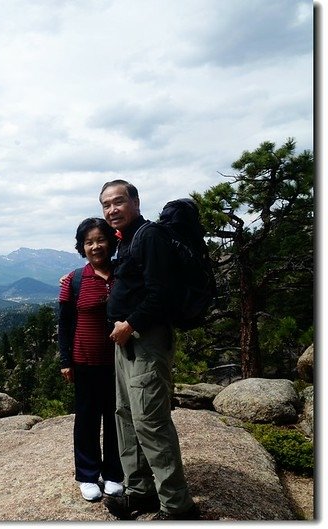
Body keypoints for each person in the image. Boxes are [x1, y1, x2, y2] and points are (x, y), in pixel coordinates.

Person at [98, 179, 200, 520]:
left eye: (118, 201)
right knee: (125, 417)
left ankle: (177, 505)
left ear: (135, 202)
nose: (112, 210)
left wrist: (130, 324)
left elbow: (162, 293)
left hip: (146, 340)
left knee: (151, 422)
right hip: (127, 343)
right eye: (106, 205)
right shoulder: (126, 241)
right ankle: (140, 491)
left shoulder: (149, 236)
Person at [58, 218, 124, 502]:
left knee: (115, 418)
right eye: (89, 242)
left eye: (100, 239)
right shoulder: (74, 281)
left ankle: (113, 473)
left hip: (120, 361)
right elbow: (65, 324)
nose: (95, 246)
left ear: (111, 241)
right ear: (81, 247)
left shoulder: (124, 272)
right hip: (84, 360)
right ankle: (86, 475)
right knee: (86, 419)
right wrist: (66, 360)